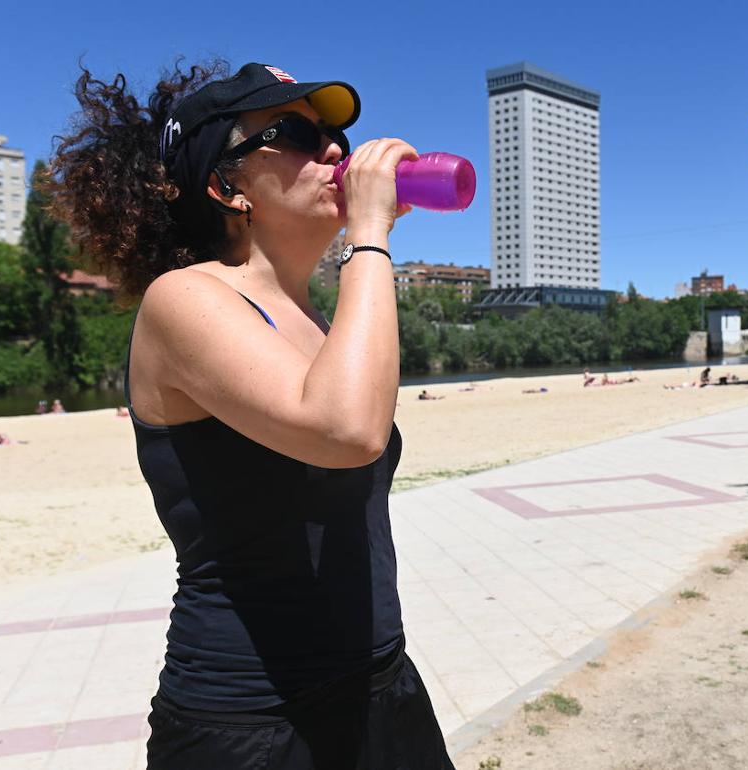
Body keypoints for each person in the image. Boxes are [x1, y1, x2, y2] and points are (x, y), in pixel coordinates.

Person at [49, 61, 452, 769]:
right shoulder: (184, 300)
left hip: (380, 685)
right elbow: (346, 430)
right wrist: (370, 233)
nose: (335, 152)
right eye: (294, 132)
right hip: (254, 721)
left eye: (335, 134)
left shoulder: (314, 317)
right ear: (225, 185)